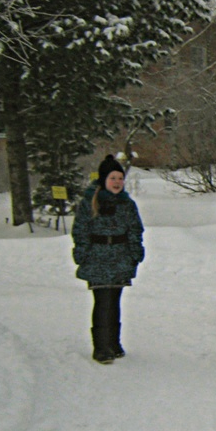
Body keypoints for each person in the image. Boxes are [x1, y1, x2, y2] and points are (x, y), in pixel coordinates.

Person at [71, 155, 145, 364]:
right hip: (97, 257)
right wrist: (82, 254)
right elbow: (81, 230)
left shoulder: (127, 204)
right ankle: (101, 347)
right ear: (104, 179)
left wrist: (135, 253)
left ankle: (114, 342)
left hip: (120, 257)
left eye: (120, 178)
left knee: (114, 301)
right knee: (102, 301)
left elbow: (135, 230)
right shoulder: (90, 202)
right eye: (113, 178)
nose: (117, 182)